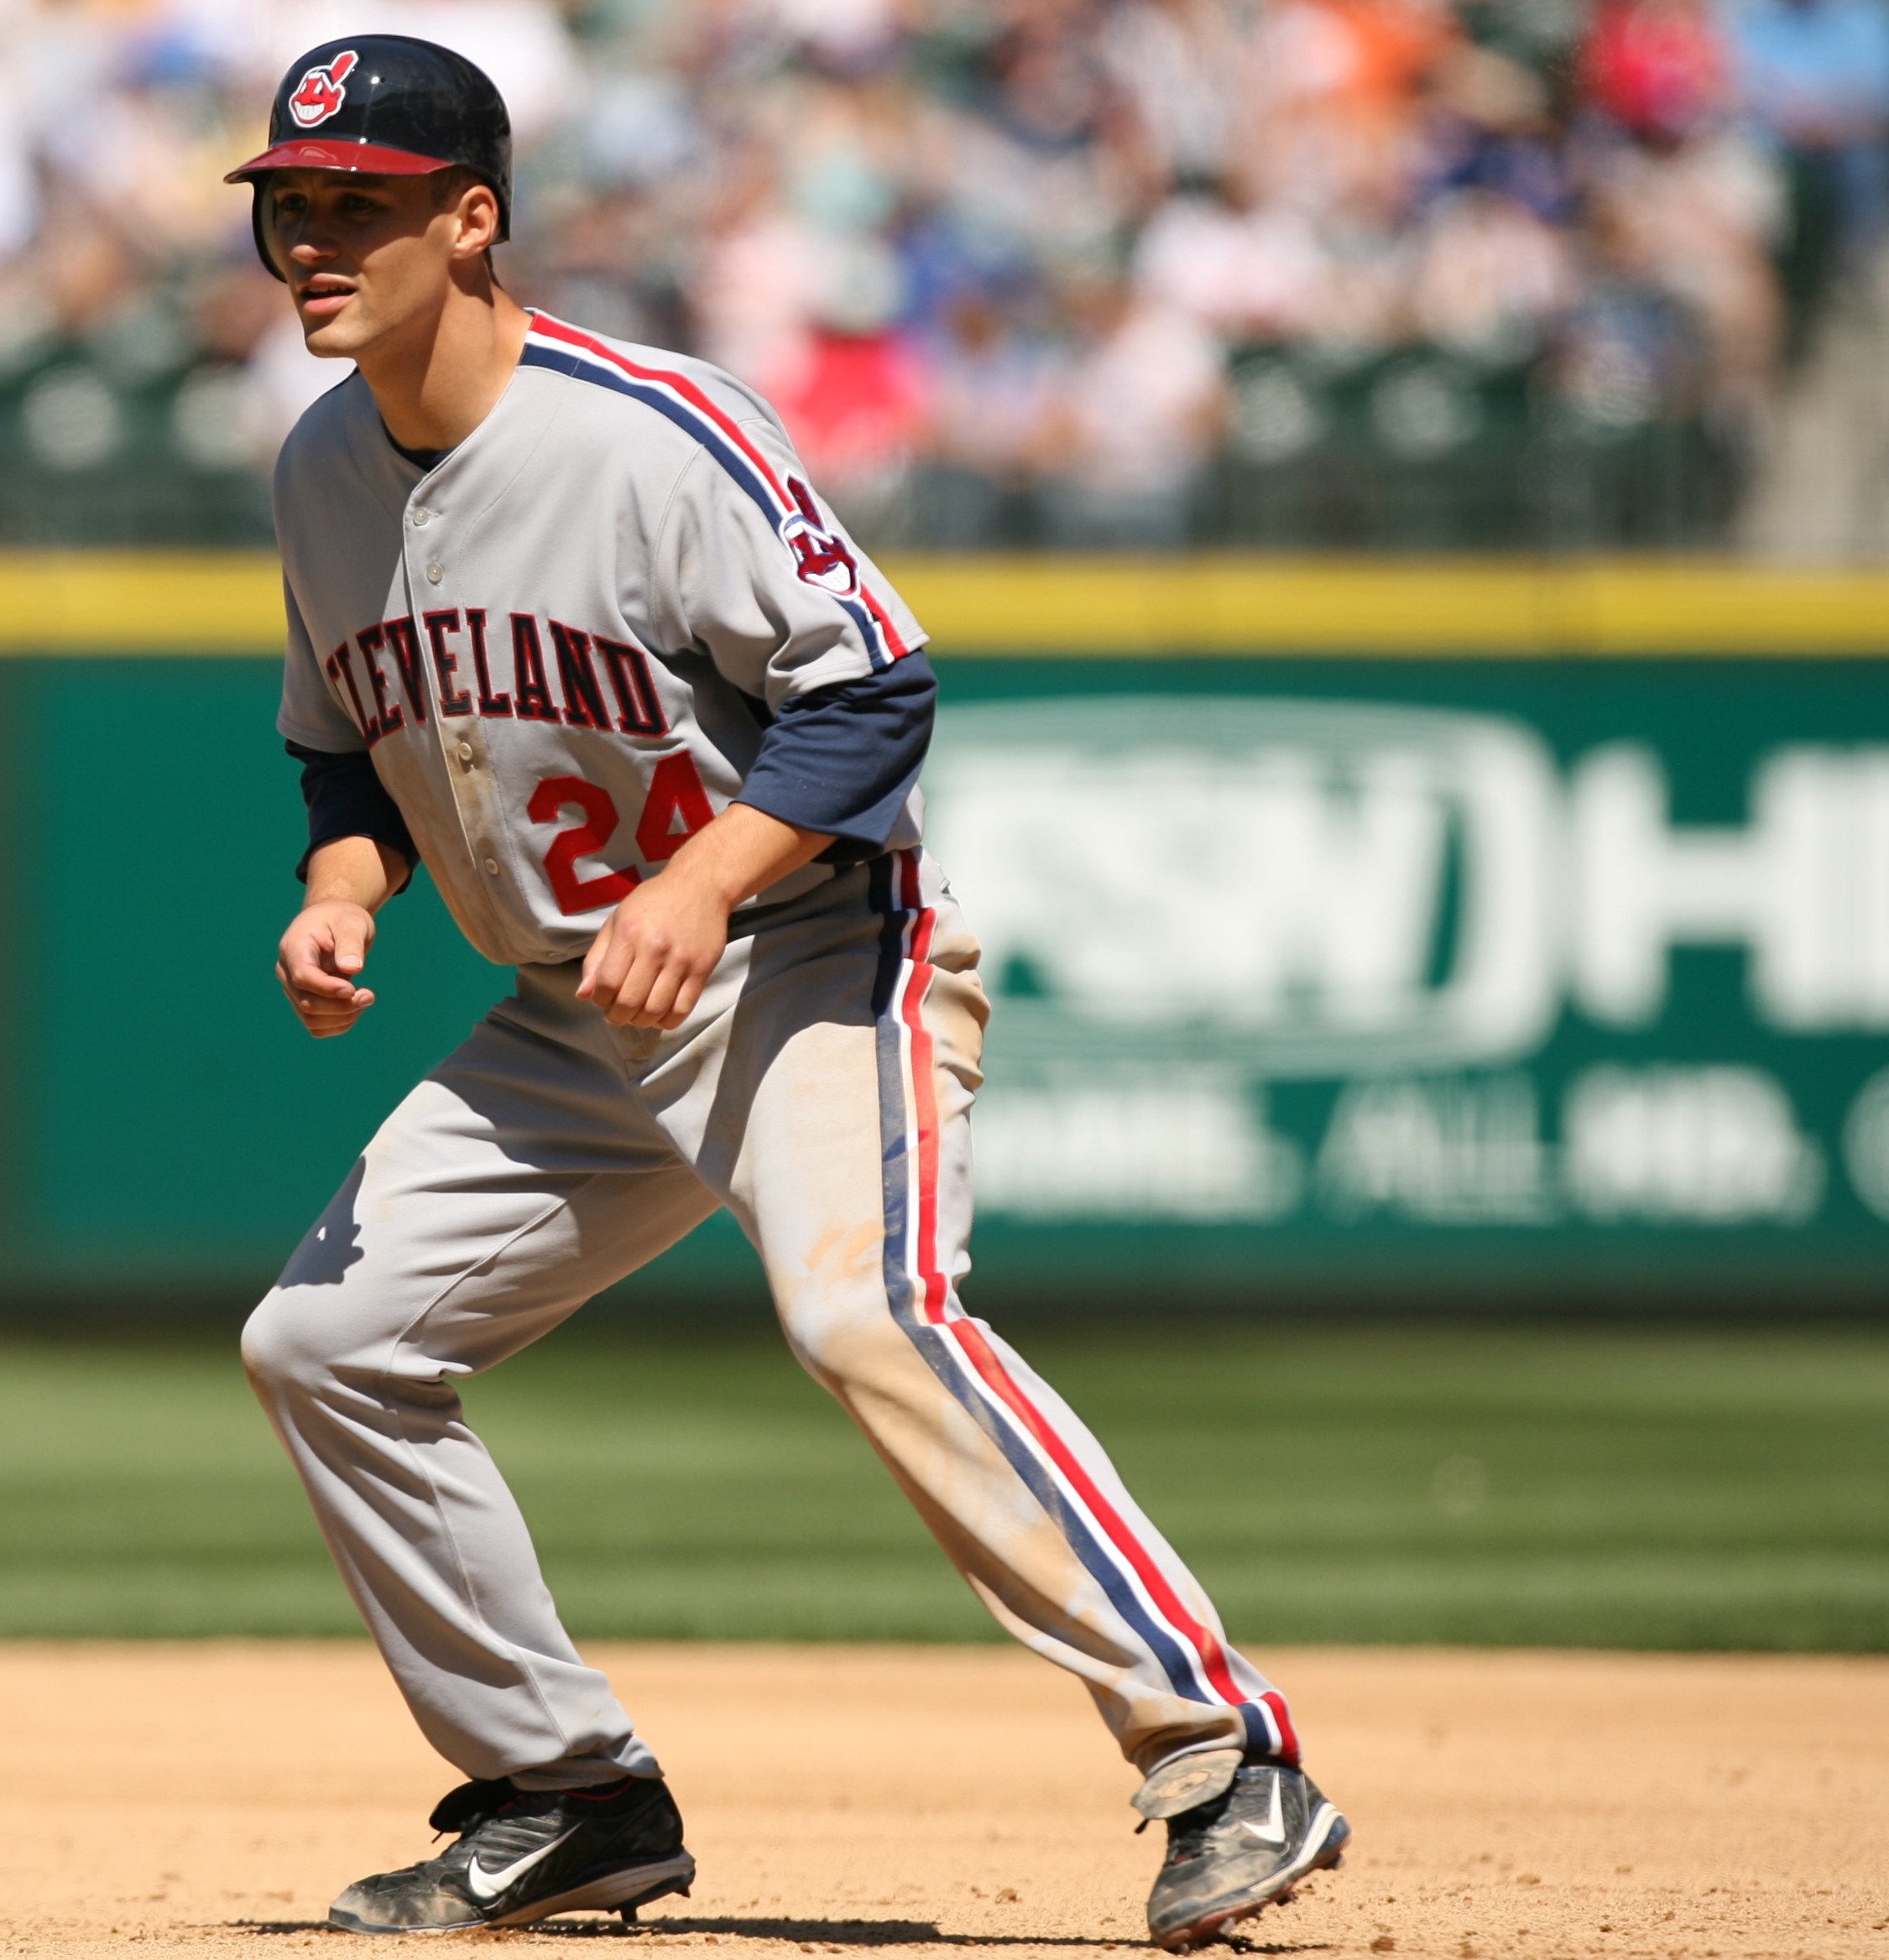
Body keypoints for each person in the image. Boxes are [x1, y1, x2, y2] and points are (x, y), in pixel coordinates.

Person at [228, 34, 1352, 1950]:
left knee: (867, 1312)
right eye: (290, 209)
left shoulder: (652, 430)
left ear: (472, 219)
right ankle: (569, 1795)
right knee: (323, 1347)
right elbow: (348, 742)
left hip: (816, 961)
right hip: (579, 1008)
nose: (314, 242)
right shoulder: (323, 469)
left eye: (361, 204)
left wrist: (703, 872)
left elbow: (875, 687)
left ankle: (1225, 1753)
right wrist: (346, 884)